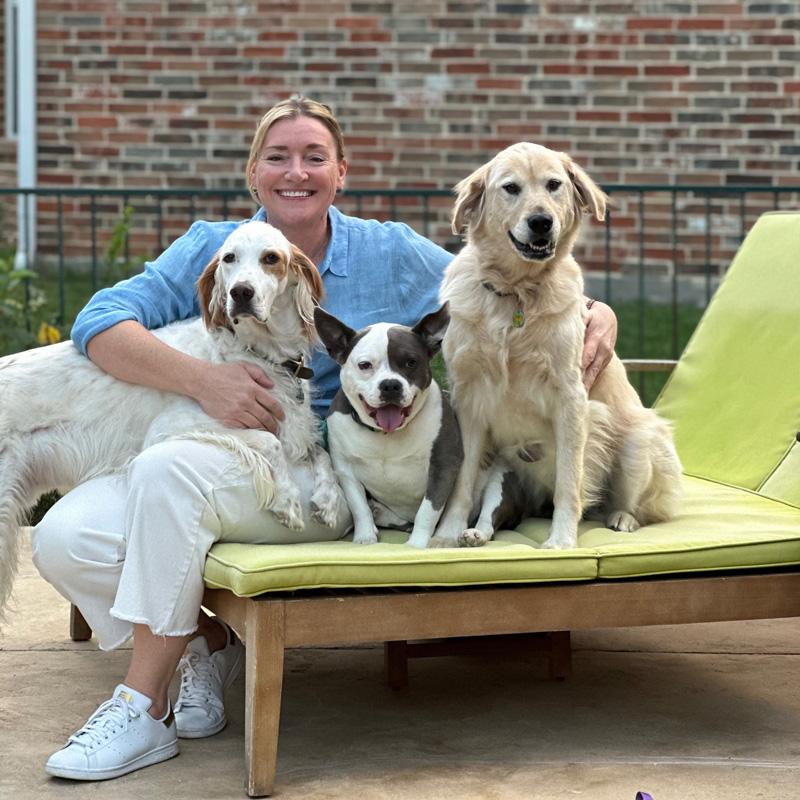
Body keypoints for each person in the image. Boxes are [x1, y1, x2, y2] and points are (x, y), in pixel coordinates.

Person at [31, 96, 619, 781]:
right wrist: (202, 380)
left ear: (342, 172)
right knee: (64, 537)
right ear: (254, 173)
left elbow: (502, 270)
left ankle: (142, 706)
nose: (296, 172)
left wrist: (594, 309)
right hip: (203, 437)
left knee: (165, 474)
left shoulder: (388, 251)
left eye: (315, 158)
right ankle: (207, 648)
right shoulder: (214, 247)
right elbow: (100, 322)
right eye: (277, 157)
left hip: (317, 477)